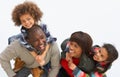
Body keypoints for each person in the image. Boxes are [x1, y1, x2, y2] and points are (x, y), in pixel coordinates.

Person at [8, 1, 56, 77]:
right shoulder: (24, 31)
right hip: (30, 46)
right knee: (12, 40)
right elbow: (28, 47)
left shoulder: (42, 25)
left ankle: (40, 68)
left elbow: (49, 40)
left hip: (42, 48)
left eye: (28, 19)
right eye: (23, 21)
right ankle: (21, 61)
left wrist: (42, 56)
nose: (27, 23)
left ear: (33, 16)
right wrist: (36, 57)